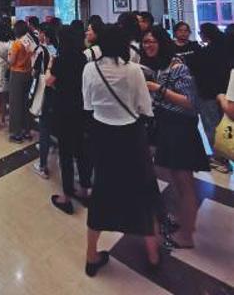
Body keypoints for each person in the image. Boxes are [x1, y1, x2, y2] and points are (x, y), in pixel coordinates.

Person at [82, 24, 160, 276]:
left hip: (102, 135)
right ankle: (152, 254)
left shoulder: (90, 69)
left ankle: (91, 255)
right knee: (143, 189)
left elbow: (88, 105)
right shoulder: (134, 70)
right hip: (131, 136)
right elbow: (145, 108)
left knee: (102, 191)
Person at [141, 26, 209, 248]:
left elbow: (191, 103)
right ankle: (183, 221)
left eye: (152, 41)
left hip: (181, 130)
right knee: (177, 182)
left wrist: (158, 89)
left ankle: (187, 236)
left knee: (185, 183)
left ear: (162, 43)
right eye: (145, 42)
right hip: (168, 127)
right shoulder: (162, 67)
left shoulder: (178, 67)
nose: (148, 46)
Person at [48, 26, 92, 214]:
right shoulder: (83, 58)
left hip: (63, 109)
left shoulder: (59, 60)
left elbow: (49, 81)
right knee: (82, 151)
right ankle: (85, 190)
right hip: (81, 107)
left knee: (65, 153)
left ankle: (66, 196)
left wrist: (50, 66)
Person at [195, 22, 232, 173]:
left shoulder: (205, 52)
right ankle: (228, 154)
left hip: (208, 94)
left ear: (205, 35)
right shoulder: (226, 49)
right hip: (225, 93)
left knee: (212, 126)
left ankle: (219, 159)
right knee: (226, 125)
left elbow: (199, 73)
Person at [32, 23, 58, 179]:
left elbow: (35, 71)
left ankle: (42, 166)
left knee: (44, 127)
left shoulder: (41, 51)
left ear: (44, 35)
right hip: (58, 94)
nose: (38, 35)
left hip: (45, 91)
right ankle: (53, 145)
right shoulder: (58, 49)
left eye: (40, 32)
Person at [8, 20, 33, 142]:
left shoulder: (16, 44)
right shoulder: (29, 41)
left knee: (15, 104)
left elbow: (12, 61)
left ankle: (17, 133)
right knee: (25, 103)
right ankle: (27, 131)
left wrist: (8, 58)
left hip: (17, 74)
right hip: (28, 74)